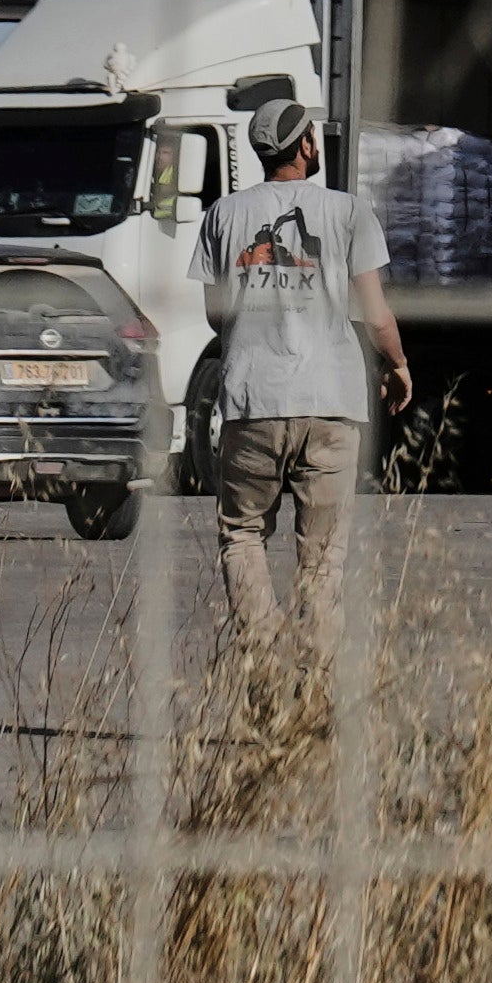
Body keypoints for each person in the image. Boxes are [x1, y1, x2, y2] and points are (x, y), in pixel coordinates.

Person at [207, 96, 404, 645]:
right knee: (322, 561)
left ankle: (265, 660)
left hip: (253, 402)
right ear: (305, 145)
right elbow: (376, 314)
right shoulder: (347, 212)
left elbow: (214, 314)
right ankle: (314, 692)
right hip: (331, 401)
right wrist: (398, 363)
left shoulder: (224, 215)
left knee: (243, 535)